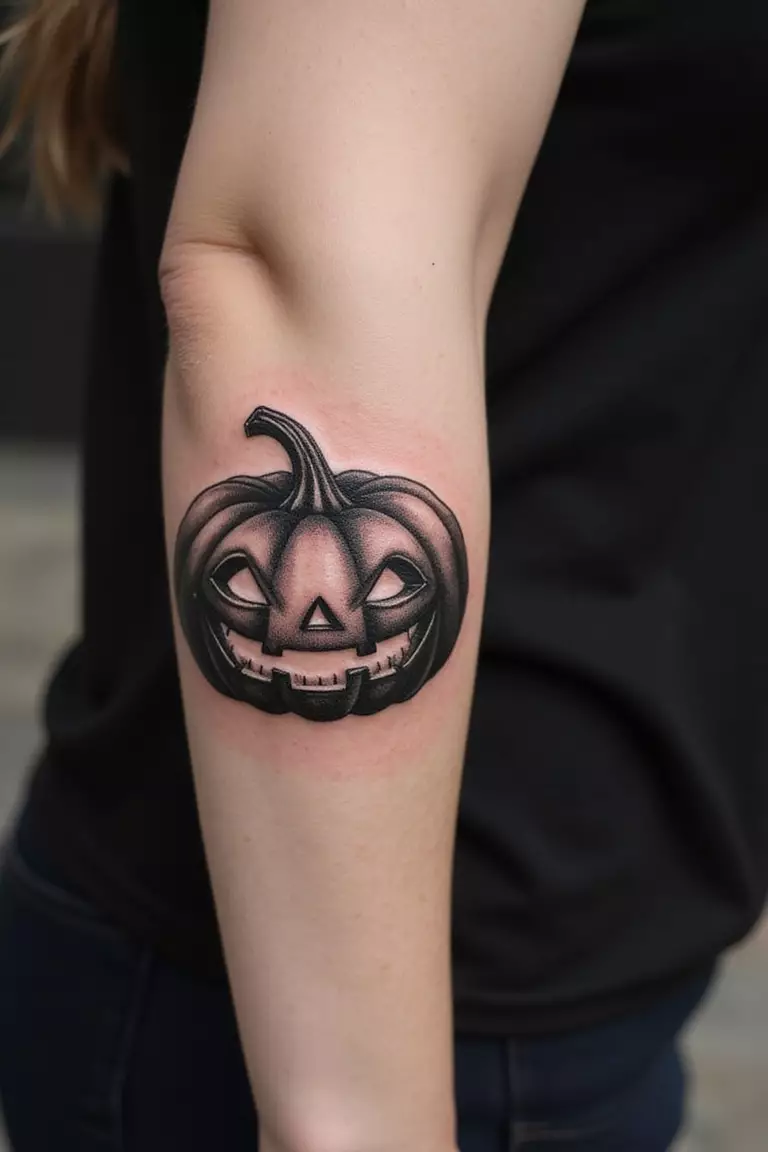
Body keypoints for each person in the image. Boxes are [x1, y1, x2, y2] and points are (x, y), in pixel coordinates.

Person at [1, 0, 766, 1148]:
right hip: (390, 1027)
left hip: (556, 960)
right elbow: (293, 287)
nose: (312, 614)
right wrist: (360, 1126)